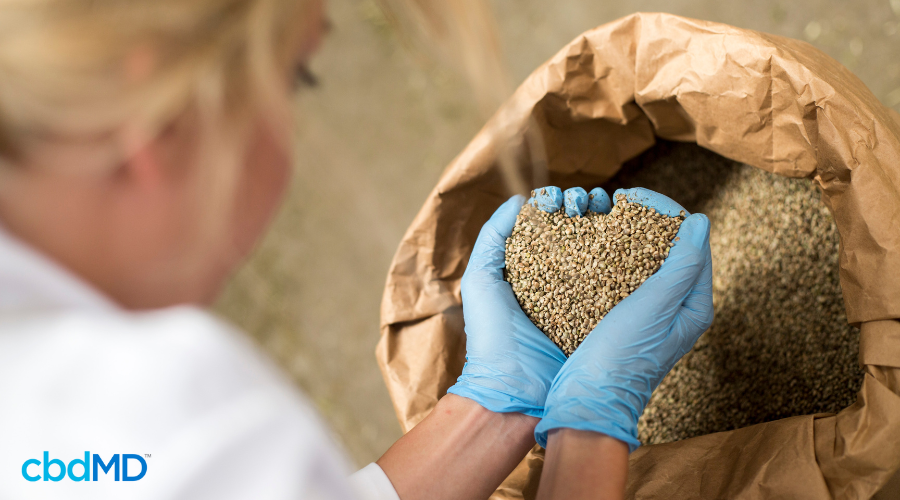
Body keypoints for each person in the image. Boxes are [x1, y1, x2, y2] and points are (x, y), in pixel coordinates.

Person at [0, 1, 713, 499]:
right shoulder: (167, 412)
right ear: (159, 123)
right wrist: (591, 422)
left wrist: (498, 402)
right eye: (292, 77)